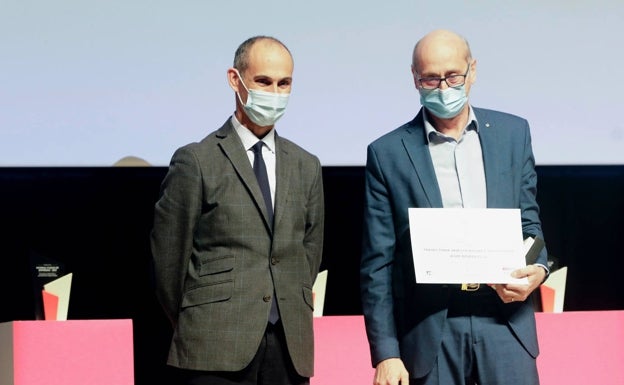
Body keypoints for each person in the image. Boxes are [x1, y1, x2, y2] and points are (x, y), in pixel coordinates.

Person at [359, 29, 549, 385]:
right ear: (415, 78)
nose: (443, 87)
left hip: (506, 324)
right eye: (431, 77)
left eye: (453, 75)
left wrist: (538, 270)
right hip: (431, 328)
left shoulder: (513, 133)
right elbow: (377, 265)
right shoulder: (387, 154)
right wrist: (386, 353)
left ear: (472, 71)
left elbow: (529, 224)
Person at [150, 35, 324, 385]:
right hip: (215, 345)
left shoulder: (306, 165)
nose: (274, 92)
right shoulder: (197, 160)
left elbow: (310, 253)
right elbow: (169, 260)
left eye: (284, 83)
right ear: (236, 79)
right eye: (263, 81)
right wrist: (204, 315)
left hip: (289, 348)